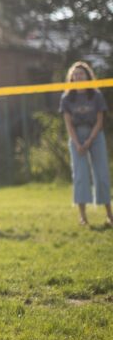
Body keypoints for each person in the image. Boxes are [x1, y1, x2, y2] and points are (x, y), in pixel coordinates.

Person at [59, 60, 112, 228]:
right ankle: (83, 217)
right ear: (71, 78)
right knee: (80, 176)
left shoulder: (96, 95)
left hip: (95, 135)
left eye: (81, 73)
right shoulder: (67, 97)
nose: (78, 76)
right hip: (76, 137)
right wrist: (78, 143)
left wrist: (89, 141)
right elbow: (68, 124)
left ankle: (109, 215)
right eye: (75, 74)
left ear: (88, 75)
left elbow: (99, 121)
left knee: (102, 174)